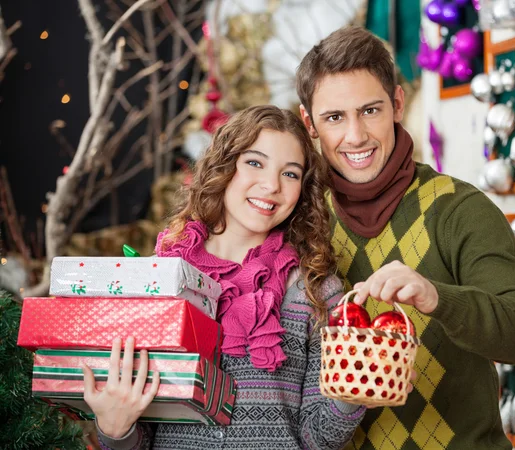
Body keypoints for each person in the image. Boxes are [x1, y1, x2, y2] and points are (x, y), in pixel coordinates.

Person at [296, 26, 515, 449]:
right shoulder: (305, 221)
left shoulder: (459, 208)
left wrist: (437, 298)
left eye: (370, 110)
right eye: (334, 117)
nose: (356, 135)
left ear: (397, 104)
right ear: (310, 124)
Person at [83, 105, 368, 450]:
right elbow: (141, 436)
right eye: (254, 162)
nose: (271, 185)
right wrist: (116, 431)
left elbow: (317, 438)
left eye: (290, 174)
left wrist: (357, 386)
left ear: (303, 191)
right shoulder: (159, 278)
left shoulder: (316, 292)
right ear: (224, 166)